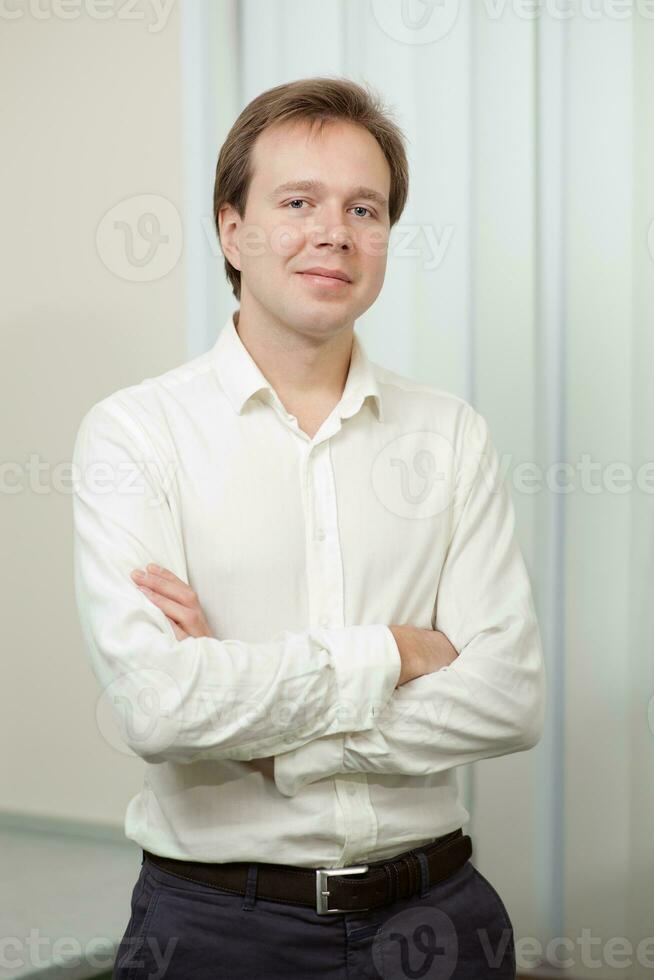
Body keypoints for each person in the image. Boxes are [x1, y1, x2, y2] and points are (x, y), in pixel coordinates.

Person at [72, 75, 546, 979]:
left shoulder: (449, 435)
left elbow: (510, 695)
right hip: (218, 929)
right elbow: (160, 706)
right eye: (299, 201)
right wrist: (397, 655)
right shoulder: (136, 435)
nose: (336, 232)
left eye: (364, 208)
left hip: (441, 919)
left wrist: (273, 747)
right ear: (231, 230)